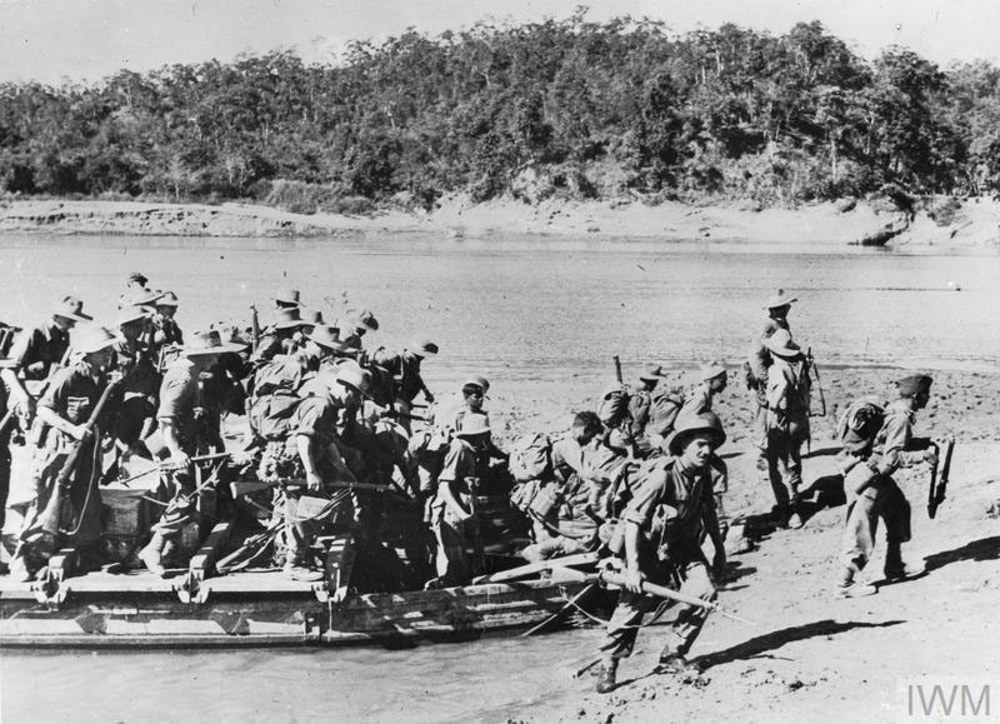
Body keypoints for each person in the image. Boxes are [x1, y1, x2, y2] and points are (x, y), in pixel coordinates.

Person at [595, 411, 728, 694]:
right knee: (633, 606)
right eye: (699, 445)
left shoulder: (704, 475)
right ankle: (609, 661)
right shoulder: (662, 478)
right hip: (649, 547)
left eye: (710, 445)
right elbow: (632, 521)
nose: (706, 451)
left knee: (705, 592)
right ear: (683, 446)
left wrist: (719, 551)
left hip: (683, 546)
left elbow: (709, 514)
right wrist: (632, 568)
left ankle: (673, 653)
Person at [10, 326, 120, 580]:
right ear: (88, 354)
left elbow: (107, 415)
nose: (108, 355)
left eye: (109, 351)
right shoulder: (69, 376)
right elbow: (44, 410)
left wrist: (108, 437)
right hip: (61, 451)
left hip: (88, 454)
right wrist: (72, 428)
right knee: (48, 502)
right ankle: (25, 560)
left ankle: (87, 552)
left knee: (88, 501)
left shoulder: (103, 380)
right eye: (103, 351)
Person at [138, 329, 245, 576]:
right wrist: (175, 452)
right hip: (174, 446)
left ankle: (161, 548)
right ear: (201, 355)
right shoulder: (183, 379)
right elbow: (166, 420)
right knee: (184, 498)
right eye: (214, 354)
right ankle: (152, 549)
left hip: (184, 445)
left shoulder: (190, 373)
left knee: (183, 497)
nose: (217, 360)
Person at [835, 374, 936, 598]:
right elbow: (893, 457)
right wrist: (922, 456)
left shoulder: (893, 409)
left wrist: (922, 442)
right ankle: (844, 584)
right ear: (918, 396)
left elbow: (883, 442)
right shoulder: (901, 418)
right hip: (870, 480)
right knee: (861, 530)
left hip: (873, 475)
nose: (929, 399)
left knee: (899, 509)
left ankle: (894, 567)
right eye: (927, 395)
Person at [279, 365, 370, 581]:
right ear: (347, 390)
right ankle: (293, 565)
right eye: (356, 396)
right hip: (297, 467)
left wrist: (342, 469)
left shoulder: (330, 405)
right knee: (304, 514)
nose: (356, 402)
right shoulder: (322, 406)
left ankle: (297, 556)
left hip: (305, 464)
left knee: (312, 511)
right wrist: (311, 473)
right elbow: (304, 438)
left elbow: (327, 440)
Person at [519, 411, 610, 562]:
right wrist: (612, 478)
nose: (590, 440)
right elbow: (589, 473)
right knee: (591, 532)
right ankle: (535, 551)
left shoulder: (559, 439)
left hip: (537, 502)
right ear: (585, 430)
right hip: (547, 505)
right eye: (591, 435)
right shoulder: (569, 445)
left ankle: (545, 564)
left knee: (547, 550)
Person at [428, 412, 492, 586]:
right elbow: (443, 486)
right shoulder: (460, 449)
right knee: (453, 565)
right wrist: (463, 515)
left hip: (457, 514)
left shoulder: (469, 449)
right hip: (450, 515)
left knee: (461, 563)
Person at [761, 330, 811, 528]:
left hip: (783, 422)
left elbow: (780, 387)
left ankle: (789, 510)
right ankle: (795, 499)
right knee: (793, 461)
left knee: (778, 467)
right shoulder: (798, 367)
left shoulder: (777, 368)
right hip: (799, 421)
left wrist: (773, 405)